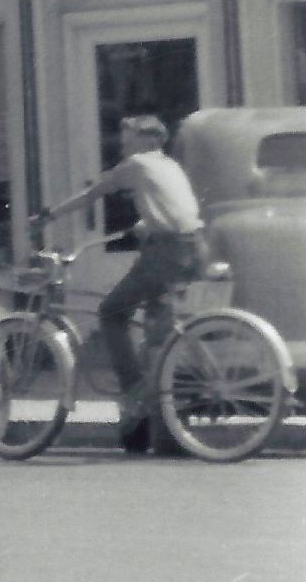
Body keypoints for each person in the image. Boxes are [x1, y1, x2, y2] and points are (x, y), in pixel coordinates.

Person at [34, 114, 208, 449]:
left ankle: (134, 391)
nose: (123, 143)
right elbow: (176, 209)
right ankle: (158, 423)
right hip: (194, 248)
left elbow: (92, 194)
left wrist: (49, 215)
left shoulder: (138, 164)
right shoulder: (170, 166)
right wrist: (145, 225)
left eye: (129, 137)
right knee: (158, 333)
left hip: (166, 253)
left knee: (111, 313)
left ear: (148, 139)